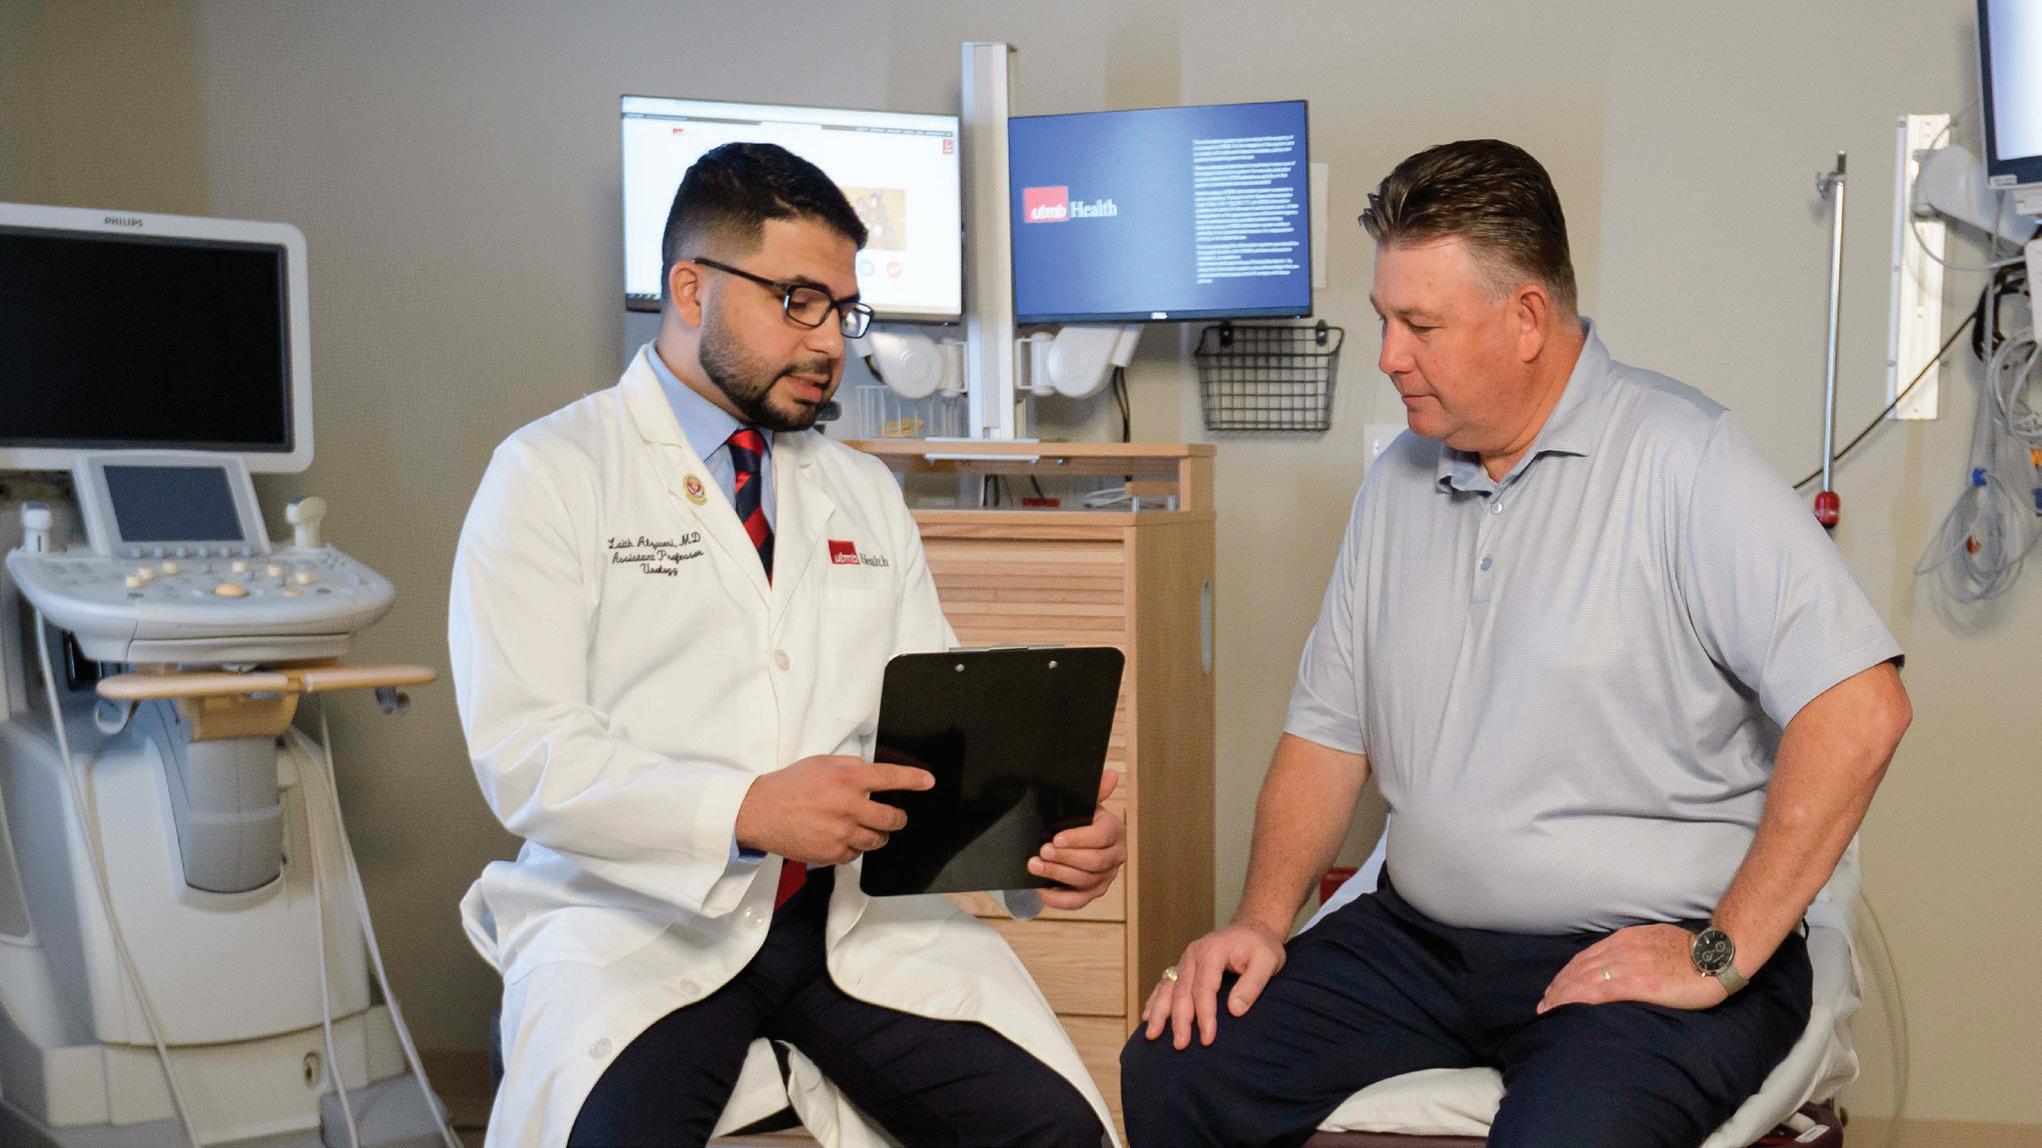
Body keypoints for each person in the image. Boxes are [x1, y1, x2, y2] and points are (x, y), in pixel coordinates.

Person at [1119, 139, 1912, 1148]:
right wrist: (1259, 921)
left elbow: (1861, 708)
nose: (1387, 355)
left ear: (1527, 317)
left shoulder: (1681, 460)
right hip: (1417, 945)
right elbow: (1327, 736)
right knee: (1176, 1065)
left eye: (1420, 326)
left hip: (1632, 944)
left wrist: (1717, 953)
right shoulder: (1397, 484)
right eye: (1383, 319)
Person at [450, 142, 1123, 1148]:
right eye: (798, 301)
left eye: (842, 309)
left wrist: (1039, 843)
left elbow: (932, 741)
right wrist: (745, 809)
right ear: (691, 289)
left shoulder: (861, 492)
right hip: (639, 917)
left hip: (845, 918)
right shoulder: (552, 473)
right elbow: (528, 750)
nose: (829, 342)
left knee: (1058, 1133)